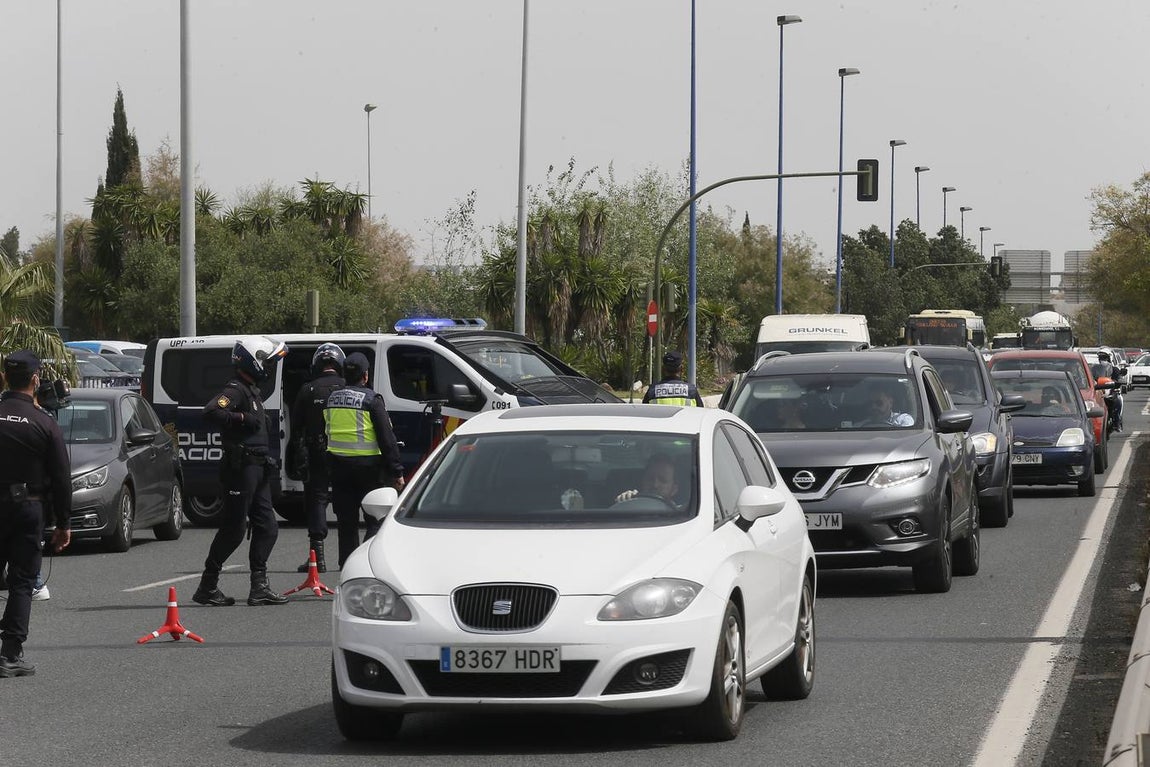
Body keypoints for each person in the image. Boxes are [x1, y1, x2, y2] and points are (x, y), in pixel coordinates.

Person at [193, 336, 289, 607]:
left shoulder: (252, 391)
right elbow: (211, 412)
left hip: (257, 468)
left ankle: (259, 587)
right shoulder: (235, 390)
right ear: (254, 361)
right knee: (234, 529)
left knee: (268, 527)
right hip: (241, 468)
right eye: (267, 362)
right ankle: (207, 585)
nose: (269, 368)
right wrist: (242, 418)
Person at [0, 350, 72, 677]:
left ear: (5, 377)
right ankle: (10, 654)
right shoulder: (44, 423)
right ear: (35, 379)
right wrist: (63, 523)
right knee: (22, 580)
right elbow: (60, 478)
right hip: (28, 508)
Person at [324, 352, 405, 568]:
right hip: (369, 470)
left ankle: (348, 567)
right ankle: (367, 566)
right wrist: (397, 472)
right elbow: (387, 439)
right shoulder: (371, 400)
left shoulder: (331, 399)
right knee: (375, 519)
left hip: (339, 467)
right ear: (365, 375)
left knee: (346, 523)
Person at [288, 343, 346, 573]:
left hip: (316, 453)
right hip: (345, 454)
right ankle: (349, 556)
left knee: (317, 501)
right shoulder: (347, 388)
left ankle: (317, 558)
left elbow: (297, 429)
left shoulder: (308, 390)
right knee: (345, 503)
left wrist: (297, 457)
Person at [615, 454, 680, 506]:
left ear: (674, 489)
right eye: (650, 479)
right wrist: (624, 501)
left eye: (663, 480)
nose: (655, 485)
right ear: (643, 481)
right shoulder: (631, 503)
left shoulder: (682, 515)